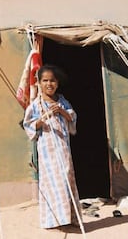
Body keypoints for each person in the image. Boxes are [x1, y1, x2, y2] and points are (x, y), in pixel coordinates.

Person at [23, 64, 82, 229]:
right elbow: (28, 124)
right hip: (47, 150)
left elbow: (72, 117)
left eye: (53, 81)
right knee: (51, 182)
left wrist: (62, 112)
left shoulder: (62, 101)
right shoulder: (36, 104)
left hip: (63, 147)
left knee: (66, 177)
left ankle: (69, 218)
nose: (49, 84)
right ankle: (53, 220)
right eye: (45, 81)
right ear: (39, 83)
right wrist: (42, 119)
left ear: (57, 82)